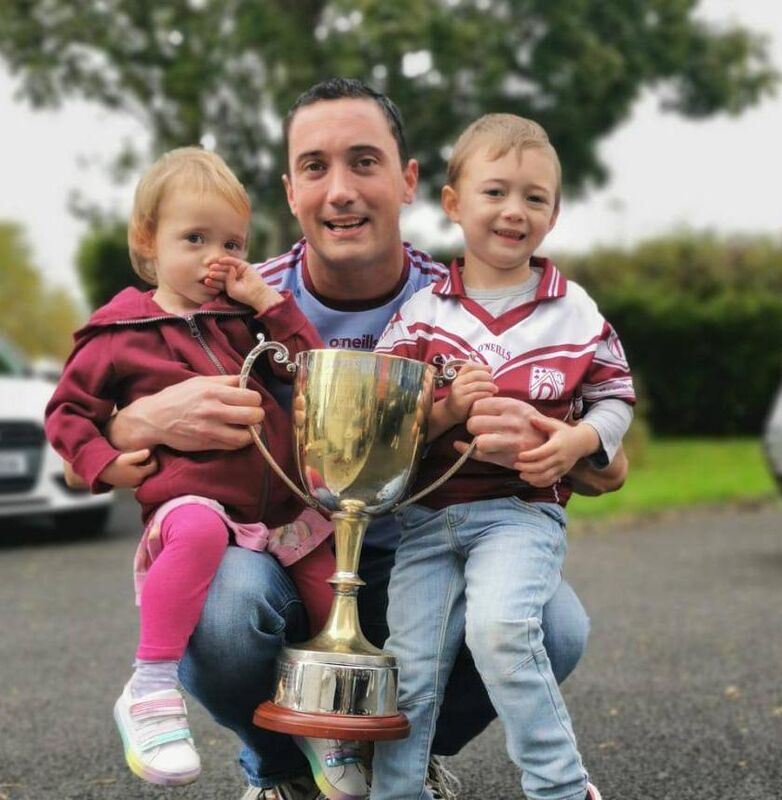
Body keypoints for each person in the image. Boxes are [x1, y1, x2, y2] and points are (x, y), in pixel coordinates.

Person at [99, 79, 629, 800]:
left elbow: (612, 464)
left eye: (365, 161)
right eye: (316, 167)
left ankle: (397, 763)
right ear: (291, 191)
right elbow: (107, 396)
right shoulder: (233, 299)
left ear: (409, 181)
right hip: (291, 571)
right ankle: (280, 770)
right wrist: (138, 423)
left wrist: (560, 440)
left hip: (427, 551)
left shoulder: (469, 299)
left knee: (554, 623)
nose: (340, 190)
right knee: (222, 607)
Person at [44, 148, 338, 788]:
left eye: (232, 242)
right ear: (147, 243)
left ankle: (320, 712)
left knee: (327, 580)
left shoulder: (244, 320)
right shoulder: (118, 332)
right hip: (193, 505)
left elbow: (313, 372)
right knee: (201, 534)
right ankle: (149, 690)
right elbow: (68, 414)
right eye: (195, 238)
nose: (216, 257)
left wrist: (266, 300)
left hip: (279, 506)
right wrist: (105, 462)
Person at [370, 114, 635, 800]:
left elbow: (614, 396)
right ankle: (398, 793)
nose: (514, 211)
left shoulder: (575, 311)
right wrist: (448, 409)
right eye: (495, 192)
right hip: (426, 522)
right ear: (454, 203)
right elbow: (386, 426)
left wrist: (576, 441)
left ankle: (561, 787)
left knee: (501, 635)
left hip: (520, 514)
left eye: (535, 197)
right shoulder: (422, 315)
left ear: (554, 212)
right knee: (411, 667)